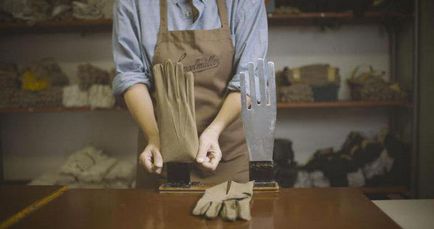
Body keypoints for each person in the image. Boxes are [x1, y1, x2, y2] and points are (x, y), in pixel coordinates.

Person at [112, 0, 268, 188]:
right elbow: (131, 76)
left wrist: (214, 130)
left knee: (231, 213)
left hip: (226, 153)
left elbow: (250, 78)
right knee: (159, 217)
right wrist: (153, 136)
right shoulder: (132, 3)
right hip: (162, 153)